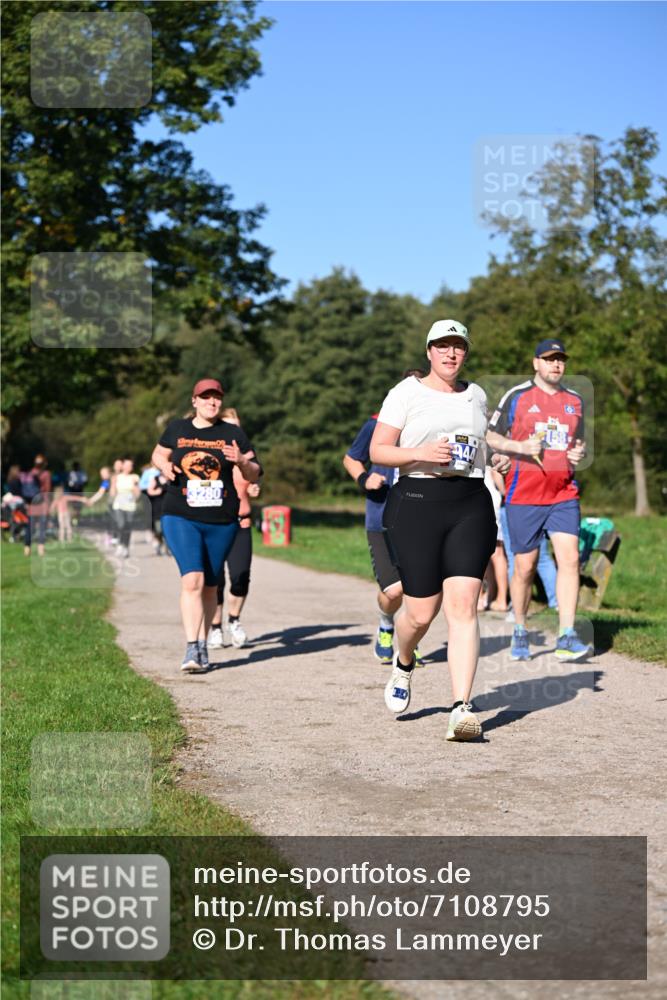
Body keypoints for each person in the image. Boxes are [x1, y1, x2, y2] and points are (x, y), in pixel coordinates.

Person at [370, 320, 510, 741]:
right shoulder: (406, 393)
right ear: (429, 351)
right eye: (443, 347)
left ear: (466, 353)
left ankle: (461, 708)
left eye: (459, 348)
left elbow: (478, 445)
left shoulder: (476, 395)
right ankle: (404, 659)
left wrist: (494, 458)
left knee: (464, 603)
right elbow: (379, 449)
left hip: (469, 501)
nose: (451, 354)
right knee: (420, 613)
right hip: (416, 502)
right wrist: (420, 453)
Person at [487, 338, 591, 662]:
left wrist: (578, 451)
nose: (556, 365)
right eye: (549, 359)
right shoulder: (517, 397)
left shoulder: (574, 401)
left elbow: (578, 442)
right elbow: (490, 436)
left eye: (560, 359)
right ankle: (519, 628)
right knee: (525, 566)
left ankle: (566, 635)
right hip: (524, 494)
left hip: (563, 493)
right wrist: (519, 450)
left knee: (570, 559)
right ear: (536, 364)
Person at [151, 378, 261, 673]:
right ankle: (192, 647)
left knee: (211, 586)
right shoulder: (178, 429)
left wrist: (240, 461)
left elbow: (255, 472)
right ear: (194, 401)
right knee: (193, 581)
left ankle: (202, 646)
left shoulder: (232, 433)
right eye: (206, 397)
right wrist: (164, 467)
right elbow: (158, 454)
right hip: (180, 515)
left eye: (216, 398)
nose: (212, 402)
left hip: (221, 520)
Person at [343, 370, 426, 667]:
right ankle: (386, 621)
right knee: (394, 589)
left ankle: (407, 643)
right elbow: (351, 458)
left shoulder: (429, 427)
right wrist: (364, 478)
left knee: (417, 589)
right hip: (381, 519)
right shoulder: (377, 424)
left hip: (419, 520)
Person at [208, 408, 261, 650]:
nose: (233, 430)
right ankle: (215, 628)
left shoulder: (247, 455)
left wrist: (254, 489)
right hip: (215, 523)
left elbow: (254, 479)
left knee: (240, 577)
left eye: (236, 425)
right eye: (228, 425)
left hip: (242, 522)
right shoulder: (210, 455)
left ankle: (235, 621)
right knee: (216, 578)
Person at [110, 458, 140, 558]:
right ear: (123, 466)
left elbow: (137, 492)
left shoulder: (134, 477)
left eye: (131, 465)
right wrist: (113, 484)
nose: (129, 467)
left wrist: (136, 496)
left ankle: (126, 547)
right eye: (127, 465)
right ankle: (120, 544)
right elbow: (112, 492)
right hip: (119, 504)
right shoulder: (117, 477)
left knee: (128, 527)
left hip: (130, 505)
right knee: (121, 524)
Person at [23, 454, 52, 557]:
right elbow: (47, 491)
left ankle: (27, 549)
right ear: (44, 463)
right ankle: (41, 550)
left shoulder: (30, 473)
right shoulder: (46, 474)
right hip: (42, 504)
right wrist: (49, 505)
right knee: (42, 528)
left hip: (31, 505)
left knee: (29, 528)